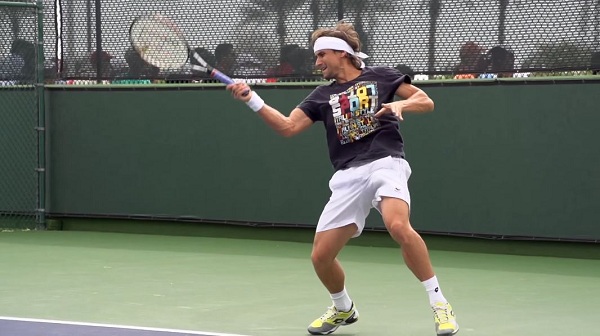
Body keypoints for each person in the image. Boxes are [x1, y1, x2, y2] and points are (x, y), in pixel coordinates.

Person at [227, 21, 459, 336]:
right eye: (316, 56)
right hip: (347, 174)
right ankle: (343, 308)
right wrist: (251, 99)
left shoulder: (381, 76)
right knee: (321, 256)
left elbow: (425, 100)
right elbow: (287, 127)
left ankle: (439, 304)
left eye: (322, 54)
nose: (318, 62)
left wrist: (400, 103)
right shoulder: (321, 95)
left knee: (398, 225)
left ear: (342, 53)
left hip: (385, 162)